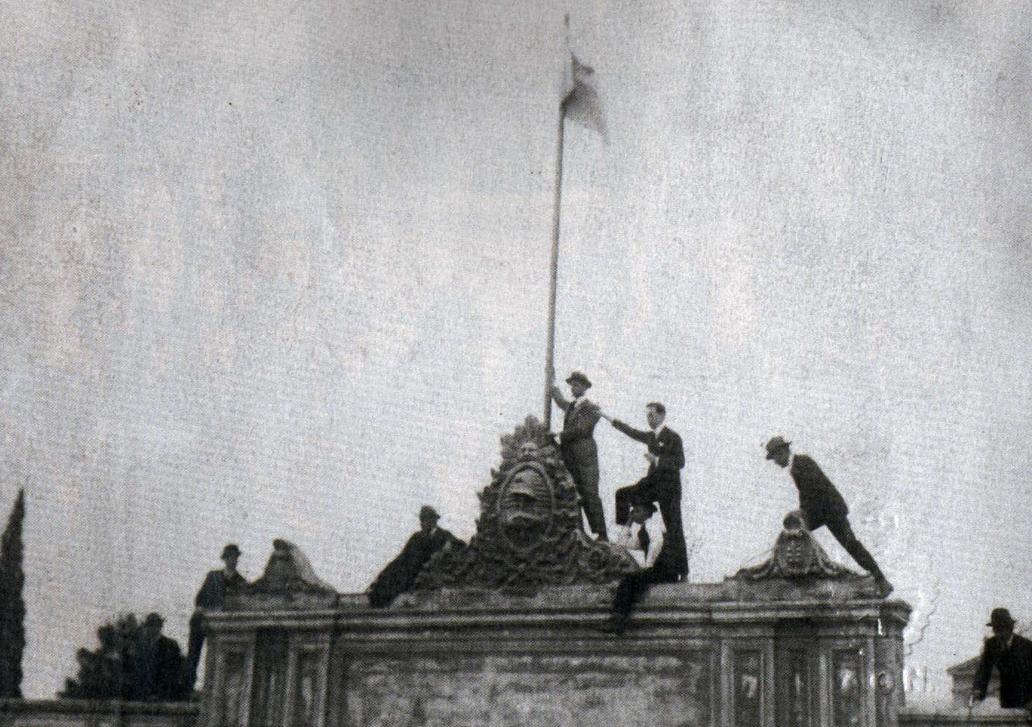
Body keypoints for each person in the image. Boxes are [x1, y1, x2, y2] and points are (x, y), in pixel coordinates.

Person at [764, 436, 893, 597]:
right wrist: (802, 512)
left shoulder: (801, 462)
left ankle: (881, 580)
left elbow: (812, 490)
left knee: (850, 544)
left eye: (775, 458)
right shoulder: (796, 465)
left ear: (782, 452)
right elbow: (807, 493)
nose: (775, 462)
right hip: (823, 511)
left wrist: (802, 511)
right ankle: (813, 564)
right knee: (797, 528)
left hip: (831, 511)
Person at [601, 402, 688, 578]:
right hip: (652, 484)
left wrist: (657, 460)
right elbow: (631, 431)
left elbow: (680, 462)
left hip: (668, 488)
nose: (649, 419)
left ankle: (683, 572)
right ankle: (624, 534)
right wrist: (605, 415)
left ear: (662, 415)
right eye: (647, 415)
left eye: (652, 415)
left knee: (674, 526)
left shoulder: (673, 437)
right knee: (622, 494)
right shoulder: (650, 436)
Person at [604, 502, 681, 634]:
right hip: (659, 570)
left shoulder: (652, 524)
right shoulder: (643, 530)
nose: (633, 514)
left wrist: (647, 566)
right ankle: (619, 619)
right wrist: (628, 523)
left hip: (664, 569)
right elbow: (623, 544)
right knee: (630, 581)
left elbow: (657, 543)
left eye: (637, 511)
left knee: (629, 580)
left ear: (646, 512)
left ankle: (619, 620)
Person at [550, 371, 608, 541]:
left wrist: (560, 435)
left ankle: (602, 534)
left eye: (576, 385)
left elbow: (583, 429)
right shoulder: (572, 406)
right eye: (571, 385)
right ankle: (579, 531)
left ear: (584, 387)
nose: (572, 388)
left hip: (585, 459)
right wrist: (552, 384)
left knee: (590, 494)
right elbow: (560, 401)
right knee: (574, 494)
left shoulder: (592, 408)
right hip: (570, 458)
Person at [367, 506, 463, 607]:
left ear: (434, 520)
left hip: (427, 569)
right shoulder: (416, 537)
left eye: (426, 519)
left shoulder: (444, 535)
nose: (423, 523)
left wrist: (447, 548)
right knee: (389, 576)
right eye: (422, 520)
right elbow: (404, 555)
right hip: (411, 568)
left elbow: (460, 546)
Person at [185, 543, 246, 692]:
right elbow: (200, 598)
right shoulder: (213, 576)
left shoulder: (241, 582)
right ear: (224, 559)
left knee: (217, 655)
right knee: (193, 654)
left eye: (235, 557)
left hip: (222, 624)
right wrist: (201, 608)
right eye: (229, 557)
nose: (232, 560)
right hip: (204, 619)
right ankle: (187, 687)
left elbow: (239, 605)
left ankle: (212, 688)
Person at [972, 607, 1032, 709]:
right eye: (995, 629)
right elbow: (983, 670)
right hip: (1007, 700)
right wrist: (977, 693)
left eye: (1001, 628)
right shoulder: (991, 644)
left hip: (1028, 699)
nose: (998, 633)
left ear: (1010, 628)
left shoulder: (1026, 645)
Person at [132, 613, 185, 701]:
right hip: (144, 694)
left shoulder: (170, 645)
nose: (152, 629)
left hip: (165, 693)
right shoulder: (142, 647)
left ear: (160, 627)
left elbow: (174, 670)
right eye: (150, 625)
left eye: (155, 625)